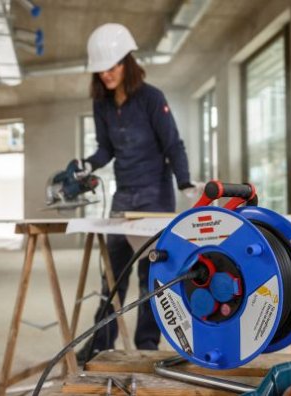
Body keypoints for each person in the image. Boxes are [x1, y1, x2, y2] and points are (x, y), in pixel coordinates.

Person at [75, 23, 196, 363]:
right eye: (100, 69)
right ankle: (100, 344)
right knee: (112, 275)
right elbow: (105, 150)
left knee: (151, 278)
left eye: (112, 66)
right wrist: (87, 165)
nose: (106, 74)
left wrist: (185, 183)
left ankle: (146, 346)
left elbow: (173, 144)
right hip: (124, 196)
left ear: (127, 62)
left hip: (155, 196)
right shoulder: (101, 104)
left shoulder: (151, 98)